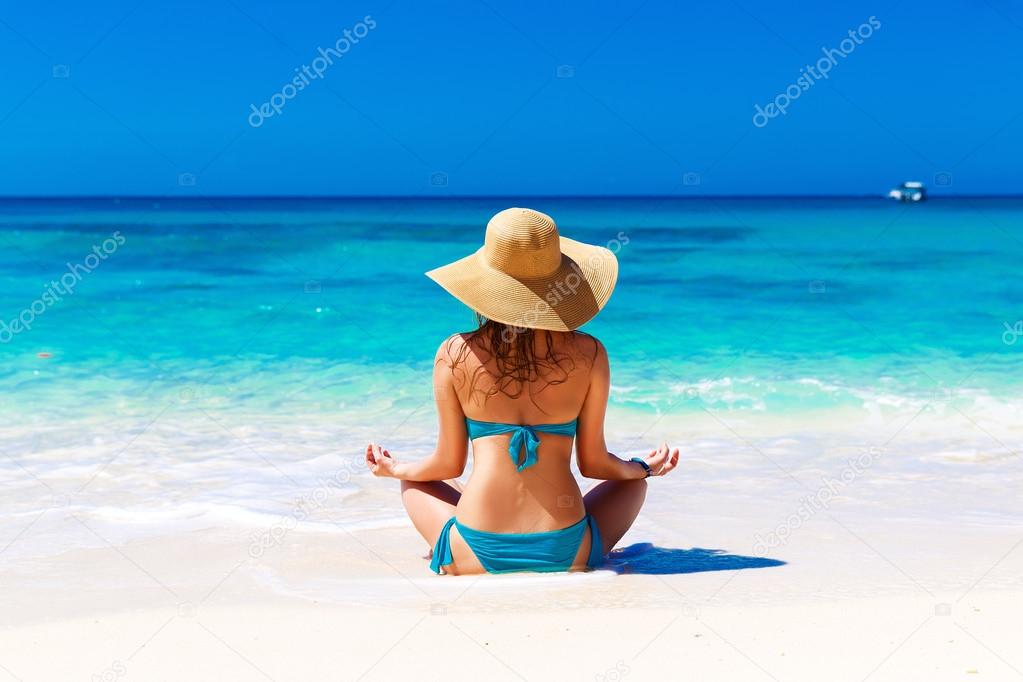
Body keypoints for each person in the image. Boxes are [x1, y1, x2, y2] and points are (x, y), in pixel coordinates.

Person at [365, 207, 679, 575]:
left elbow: (449, 463)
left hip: (473, 551)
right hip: (568, 549)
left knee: (418, 479)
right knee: (633, 482)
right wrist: (643, 467)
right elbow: (593, 464)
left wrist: (394, 468)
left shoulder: (453, 353)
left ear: (485, 283)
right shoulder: (590, 353)